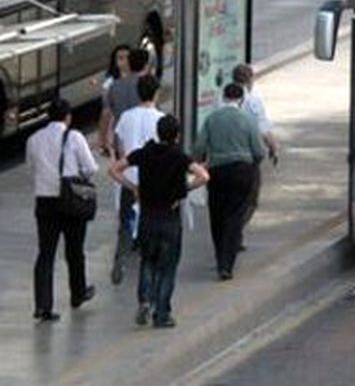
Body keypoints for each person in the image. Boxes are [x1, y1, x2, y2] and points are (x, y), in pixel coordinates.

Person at [109, 116, 208, 329]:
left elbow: (114, 169)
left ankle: (145, 300)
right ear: (177, 135)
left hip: (148, 217)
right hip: (169, 219)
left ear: (158, 132)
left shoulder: (144, 153)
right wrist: (184, 190)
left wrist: (133, 187)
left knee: (148, 261)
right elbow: (203, 176)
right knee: (168, 267)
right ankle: (161, 313)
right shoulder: (179, 157)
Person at [28, 99, 98, 321]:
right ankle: (78, 292)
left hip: (44, 200)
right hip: (71, 200)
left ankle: (43, 305)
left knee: (45, 254)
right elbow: (91, 168)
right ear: (67, 117)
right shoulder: (75, 137)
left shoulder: (34, 139)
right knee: (75, 250)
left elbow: (32, 168)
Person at [194, 83, 265, 280]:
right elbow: (259, 151)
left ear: (223, 98)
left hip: (217, 171)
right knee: (235, 216)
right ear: (241, 99)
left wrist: (200, 162)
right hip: (242, 171)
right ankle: (227, 264)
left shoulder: (211, 119)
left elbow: (199, 147)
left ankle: (220, 258)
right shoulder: (248, 120)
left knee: (217, 215)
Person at [102, 49, 151, 285]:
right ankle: (141, 243)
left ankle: (122, 251)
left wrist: (106, 144)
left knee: (125, 207)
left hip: (126, 156)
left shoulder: (115, 88)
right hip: (148, 161)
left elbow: (109, 119)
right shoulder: (147, 88)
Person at [232, 64, 278, 234]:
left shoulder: (222, 98)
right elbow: (264, 130)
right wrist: (273, 149)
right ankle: (236, 230)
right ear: (250, 80)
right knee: (250, 198)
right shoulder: (253, 101)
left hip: (223, 157)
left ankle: (230, 230)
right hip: (247, 158)